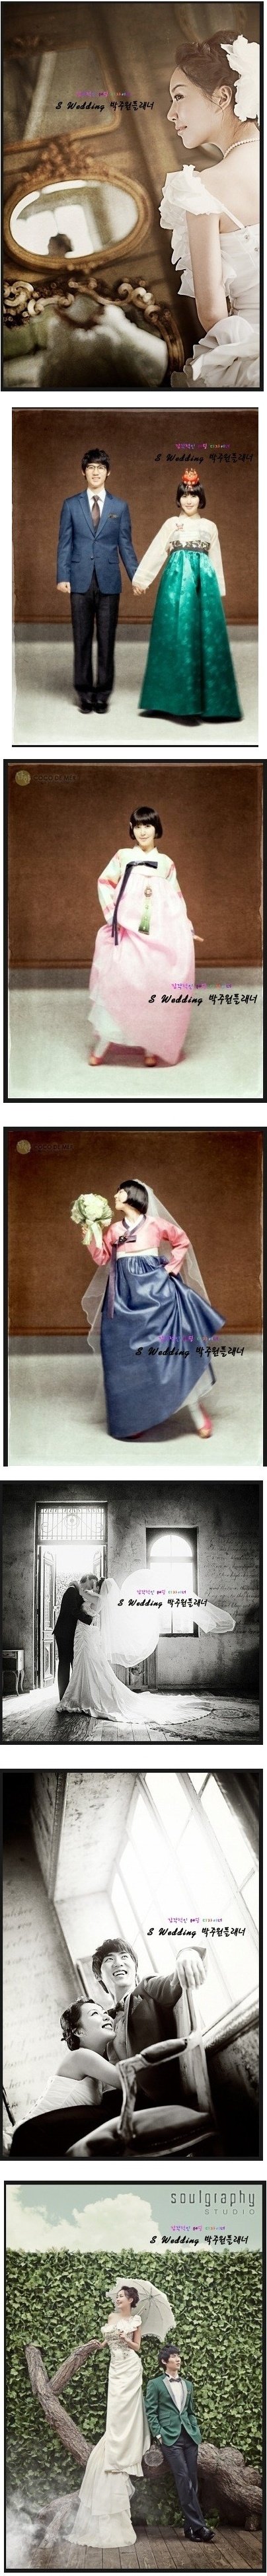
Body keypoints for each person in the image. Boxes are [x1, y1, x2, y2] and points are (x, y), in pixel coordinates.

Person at [80, 1174, 225, 1441]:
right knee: (125, 1357)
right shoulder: (114, 1229)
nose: (115, 1196)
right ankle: (136, 1416)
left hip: (157, 1294)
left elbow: (181, 1241)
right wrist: (92, 1236)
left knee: (173, 1352)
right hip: (123, 1296)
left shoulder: (156, 1224)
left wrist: (170, 1269)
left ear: (134, 1195)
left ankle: (196, 1411)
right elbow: (103, 1259)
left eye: (121, 1192)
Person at [159, 31, 260, 389]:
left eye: (179, 96)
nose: (171, 113)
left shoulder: (202, 189)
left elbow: (213, 313)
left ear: (222, 96)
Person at [88, 803, 198, 1068]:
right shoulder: (123, 856)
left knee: (152, 984)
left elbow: (177, 899)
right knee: (120, 982)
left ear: (156, 828)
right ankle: (104, 1044)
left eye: (148, 826)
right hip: (127, 931)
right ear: (132, 829)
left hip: (157, 934)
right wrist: (114, 917)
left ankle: (150, 1044)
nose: (143, 831)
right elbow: (104, 883)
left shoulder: (166, 863)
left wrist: (186, 927)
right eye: (138, 826)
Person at [133, 467, 242, 724]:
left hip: (203, 586)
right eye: (184, 496)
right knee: (175, 633)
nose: (189, 500)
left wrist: (218, 590)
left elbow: (215, 558)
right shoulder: (172, 524)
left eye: (193, 496)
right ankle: (167, 701)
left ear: (200, 498)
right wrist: (142, 579)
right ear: (178, 498)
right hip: (175, 586)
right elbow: (157, 550)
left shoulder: (209, 527)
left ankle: (208, 703)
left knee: (203, 636)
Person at [57, 443, 138, 711]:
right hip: (79, 579)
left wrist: (136, 577)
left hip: (109, 580)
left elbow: (126, 545)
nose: (95, 472)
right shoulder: (71, 505)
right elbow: (65, 544)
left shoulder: (120, 506)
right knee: (81, 639)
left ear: (108, 472)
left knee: (107, 639)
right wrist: (62, 575)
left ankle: (102, 694)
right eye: (91, 468)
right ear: (83, 472)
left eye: (100, 468)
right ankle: (84, 693)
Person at [73, 2284, 151, 2550]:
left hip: (130, 2365)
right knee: (115, 2407)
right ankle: (115, 2437)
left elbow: (137, 2347)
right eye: (117, 2296)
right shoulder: (111, 2317)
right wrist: (102, 2343)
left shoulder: (136, 2320)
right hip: (115, 2367)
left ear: (130, 2300)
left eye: (121, 2297)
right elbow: (109, 2341)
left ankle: (127, 2441)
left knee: (127, 2406)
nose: (117, 2299)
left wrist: (126, 2338)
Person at [145, 2341, 212, 2542]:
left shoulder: (188, 2385)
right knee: (183, 2478)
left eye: (179, 2356)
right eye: (174, 2356)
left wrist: (195, 2429)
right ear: (164, 2361)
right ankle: (201, 2527)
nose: (178, 2359)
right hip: (170, 2438)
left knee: (192, 2480)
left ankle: (190, 2529)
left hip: (189, 2437)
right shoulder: (155, 2384)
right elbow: (151, 2412)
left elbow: (190, 2412)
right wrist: (159, 2435)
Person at [53, 1574, 95, 1700]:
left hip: (73, 1633)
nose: (94, 1584)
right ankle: (63, 1697)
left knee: (74, 1662)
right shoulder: (72, 1590)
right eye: (94, 1581)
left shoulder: (79, 1592)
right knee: (64, 1663)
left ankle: (73, 1695)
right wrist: (89, 1620)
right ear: (87, 1579)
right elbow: (73, 1610)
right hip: (64, 1633)